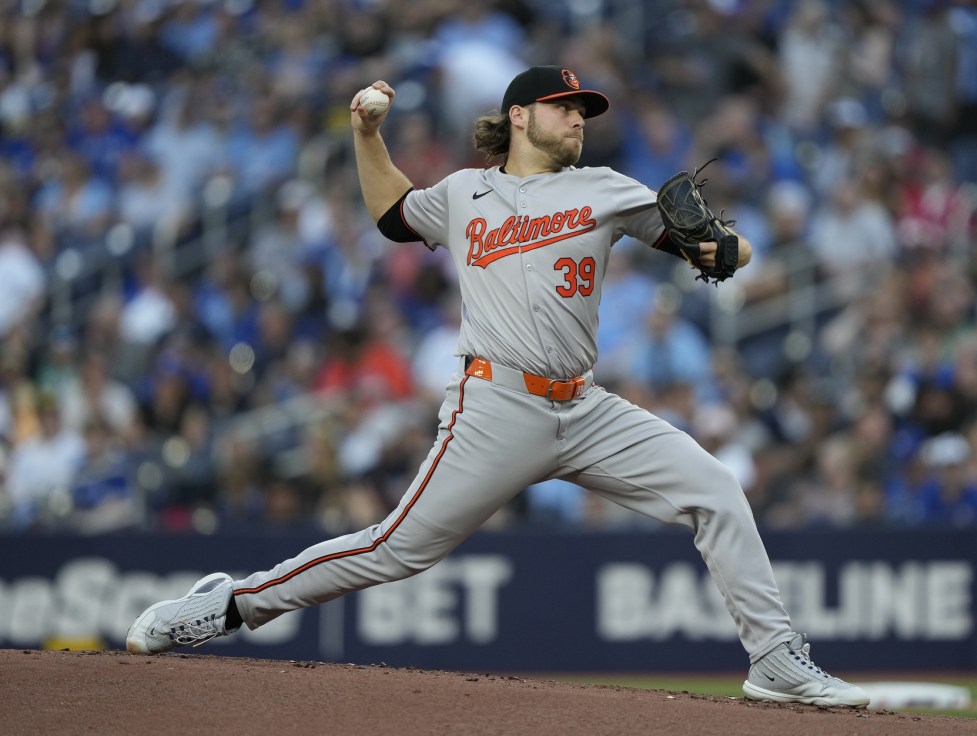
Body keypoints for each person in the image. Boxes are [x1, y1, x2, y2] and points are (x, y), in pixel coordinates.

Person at [126, 66, 869, 708]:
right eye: (564, 107)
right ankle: (228, 605)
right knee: (394, 548)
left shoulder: (607, 190)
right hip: (495, 405)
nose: (577, 118)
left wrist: (720, 246)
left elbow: (725, 249)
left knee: (716, 490)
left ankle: (774, 661)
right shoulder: (464, 195)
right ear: (520, 115)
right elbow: (391, 213)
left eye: (583, 111)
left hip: (583, 406)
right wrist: (365, 135)